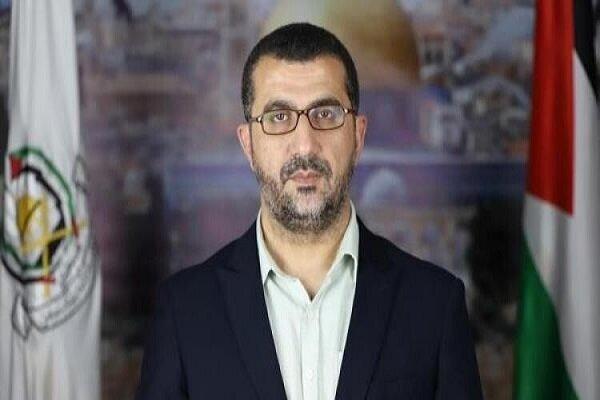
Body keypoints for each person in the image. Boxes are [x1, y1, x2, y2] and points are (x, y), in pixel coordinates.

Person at [136, 23, 483, 400]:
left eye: (326, 113)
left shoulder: (435, 306)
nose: (304, 145)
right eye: (278, 117)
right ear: (248, 144)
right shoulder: (184, 312)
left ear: (358, 136)